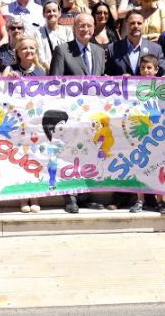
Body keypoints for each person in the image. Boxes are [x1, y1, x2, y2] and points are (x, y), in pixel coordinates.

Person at [49, 13, 105, 213]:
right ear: (74, 28)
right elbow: (54, 83)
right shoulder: (63, 50)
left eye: (89, 26)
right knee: (70, 154)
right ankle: (70, 196)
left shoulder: (99, 51)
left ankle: (85, 195)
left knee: (88, 153)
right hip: (70, 114)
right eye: (81, 25)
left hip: (92, 116)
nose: (86, 29)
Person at [2, 36, 46, 212]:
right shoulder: (9, 69)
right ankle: (22, 198)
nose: (29, 51)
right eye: (24, 49)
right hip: (16, 124)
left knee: (35, 159)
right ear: (17, 52)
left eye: (32, 48)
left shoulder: (42, 71)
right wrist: (6, 80)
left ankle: (34, 196)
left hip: (35, 123)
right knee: (19, 159)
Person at [128, 54, 165, 214]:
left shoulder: (163, 86)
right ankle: (140, 199)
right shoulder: (134, 85)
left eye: (149, 68)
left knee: (160, 166)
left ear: (156, 70)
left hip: (158, 132)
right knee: (140, 165)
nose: (145, 71)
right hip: (140, 130)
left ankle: (161, 201)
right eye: (142, 68)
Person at [105, 11, 165, 76]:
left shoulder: (155, 49)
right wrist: (120, 79)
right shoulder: (113, 48)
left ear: (144, 25)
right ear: (126, 25)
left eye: (139, 23)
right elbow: (107, 75)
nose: (136, 26)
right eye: (132, 23)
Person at [35, 0, 73, 67]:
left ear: (59, 13)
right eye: (48, 11)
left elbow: (71, 52)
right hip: (48, 70)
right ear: (44, 14)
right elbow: (40, 56)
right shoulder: (38, 32)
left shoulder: (67, 31)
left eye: (54, 11)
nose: (52, 13)